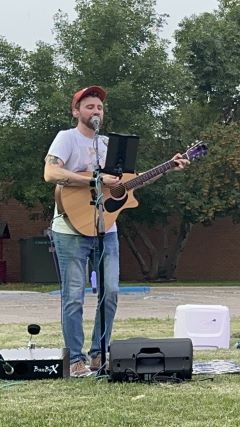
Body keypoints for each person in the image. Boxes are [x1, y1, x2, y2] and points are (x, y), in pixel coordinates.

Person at [43, 86, 189, 377]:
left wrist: (168, 167)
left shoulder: (109, 145)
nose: (96, 111)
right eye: (89, 107)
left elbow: (128, 184)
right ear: (76, 112)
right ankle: (75, 360)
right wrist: (94, 180)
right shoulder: (66, 138)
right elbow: (51, 174)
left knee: (110, 293)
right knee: (73, 297)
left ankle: (99, 356)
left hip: (105, 229)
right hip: (69, 230)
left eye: (99, 107)